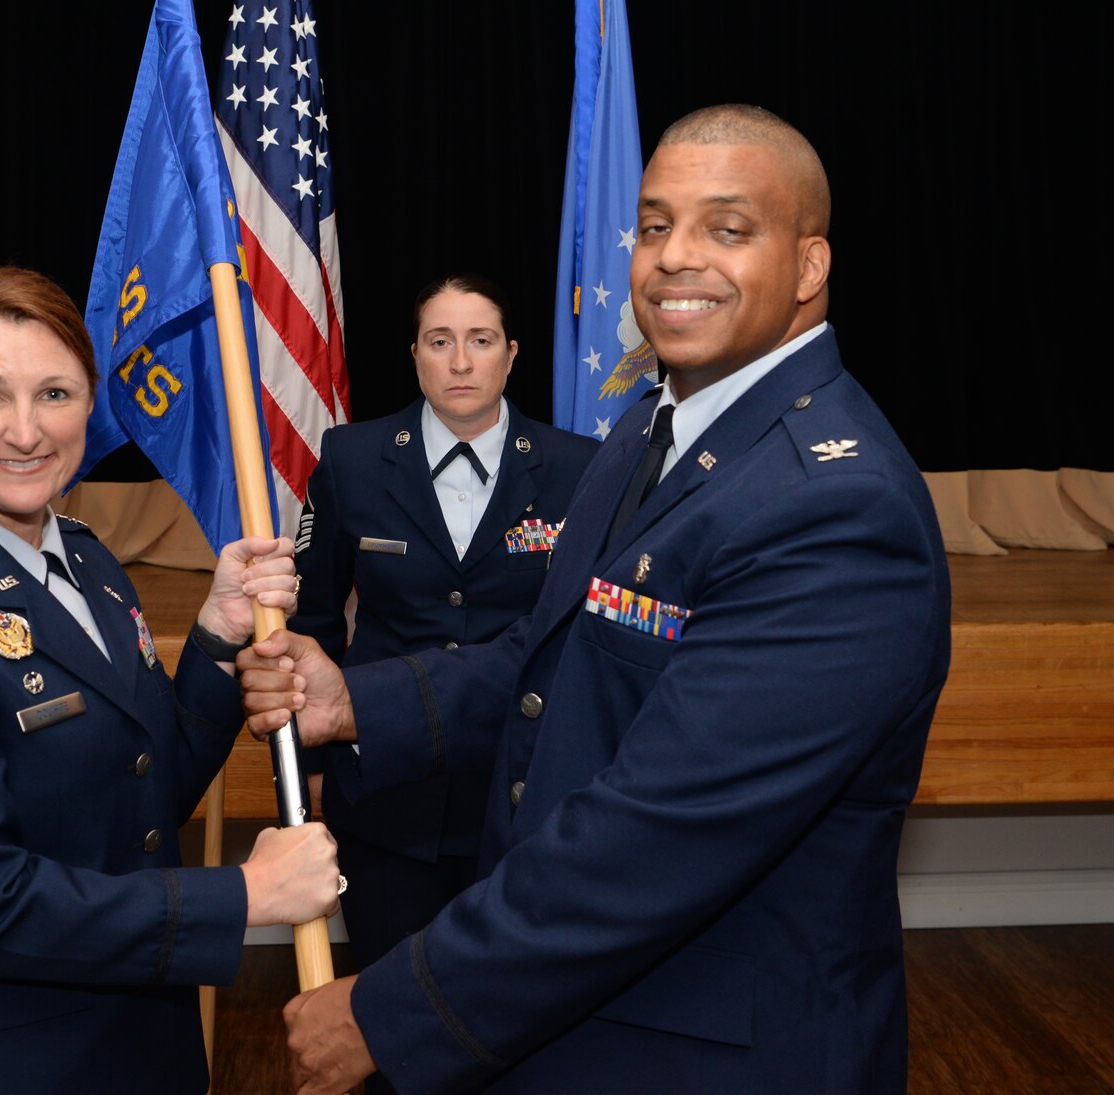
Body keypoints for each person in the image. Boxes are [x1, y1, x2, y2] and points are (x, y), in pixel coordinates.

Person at [243, 106, 952, 1094]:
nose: (673, 258)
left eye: (726, 228)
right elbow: (558, 652)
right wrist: (359, 704)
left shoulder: (832, 507)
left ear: (807, 266)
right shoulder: (648, 432)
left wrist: (396, 1009)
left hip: (710, 1054)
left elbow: (659, 828)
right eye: (655, 225)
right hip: (586, 1018)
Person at [0, 266, 341, 1095]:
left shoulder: (88, 559)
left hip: (141, 1044)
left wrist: (215, 636)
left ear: (90, 401)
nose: (26, 431)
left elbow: (141, 794)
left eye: (54, 393)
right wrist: (241, 894)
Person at [288, 276, 597, 999]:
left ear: (512, 355)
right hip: (388, 802)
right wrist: (309, 760)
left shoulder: (579, 469)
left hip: (521, 797)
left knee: (512, 1016)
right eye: (440, 341)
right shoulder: (352, 459)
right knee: (391, 1015)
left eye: (481, 340)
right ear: (416, 355)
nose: (461, 361)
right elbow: (314, 621)